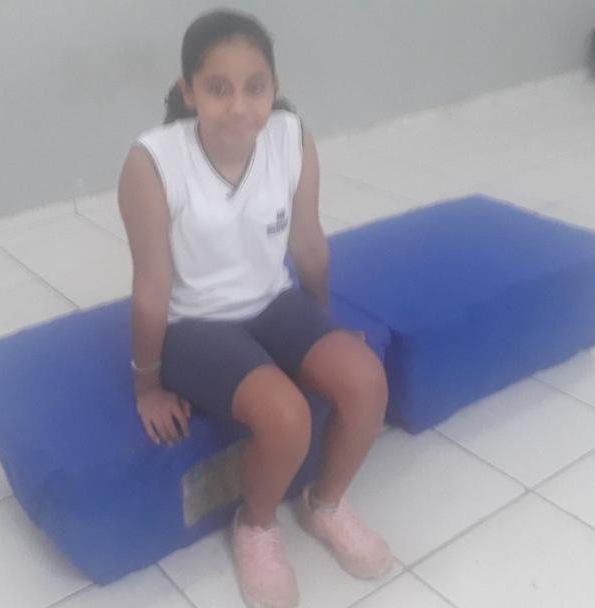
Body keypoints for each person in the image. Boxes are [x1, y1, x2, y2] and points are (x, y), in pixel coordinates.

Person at [117, 8, 392, 608]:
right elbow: (151, 287)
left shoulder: (291, 137)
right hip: (195, 324)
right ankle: (257, 525)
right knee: (286, 417)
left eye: (255, 87)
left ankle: (325, 504)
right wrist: (147, 386)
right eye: (218, 89)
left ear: (274, 86)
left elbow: (308, 245)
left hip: (273, 303)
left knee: (366, 379)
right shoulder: (152, 162)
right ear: (189, 90)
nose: (240, 106)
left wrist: (324, 332)